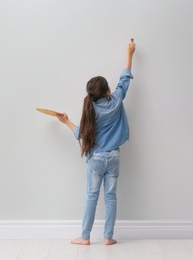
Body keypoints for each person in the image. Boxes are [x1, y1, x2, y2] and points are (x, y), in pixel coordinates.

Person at [55, 39, 136, 245]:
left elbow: (81, 134)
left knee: (92, 197)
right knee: (111, 197)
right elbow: (124, 79)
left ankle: (85, 237)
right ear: (107, 89)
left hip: (96, 158)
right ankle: (108, 237)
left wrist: (66, 121)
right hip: (114, 156)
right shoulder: (116, 100)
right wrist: (130, 53)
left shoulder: (91, 110)